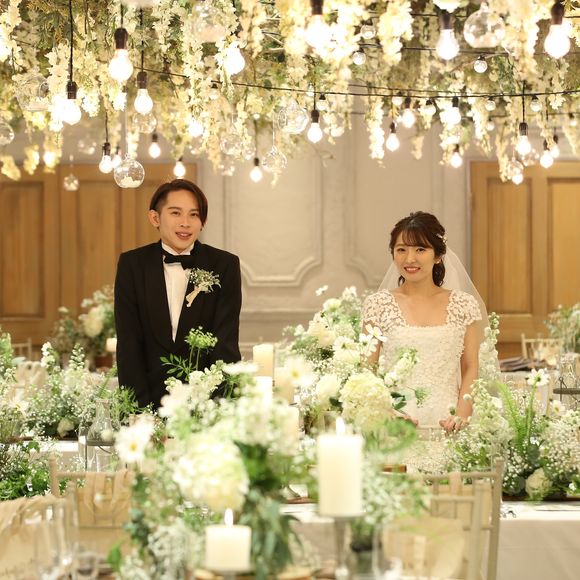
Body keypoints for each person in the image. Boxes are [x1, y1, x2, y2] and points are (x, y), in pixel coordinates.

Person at [114, 179, 242, 408]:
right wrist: (139, 412)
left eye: (194, 215)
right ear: (155, 218)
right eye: (176, 213)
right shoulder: (132, 265)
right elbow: (128, 345)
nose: (185, 223)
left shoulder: (224, 265)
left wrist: (220, 411)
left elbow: (226, 344)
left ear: (203, 222)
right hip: (148, 403)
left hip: (204, 405)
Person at [362, 211, 485, 432]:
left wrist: (461, 416)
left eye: (420, 249)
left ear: (438, 255)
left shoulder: (463, 304)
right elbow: (367, 370)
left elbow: (470, 366)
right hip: (396, 423)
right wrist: (389, 413)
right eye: (401, 250)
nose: (410, 259)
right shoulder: (377, 305)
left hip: (448, 423)